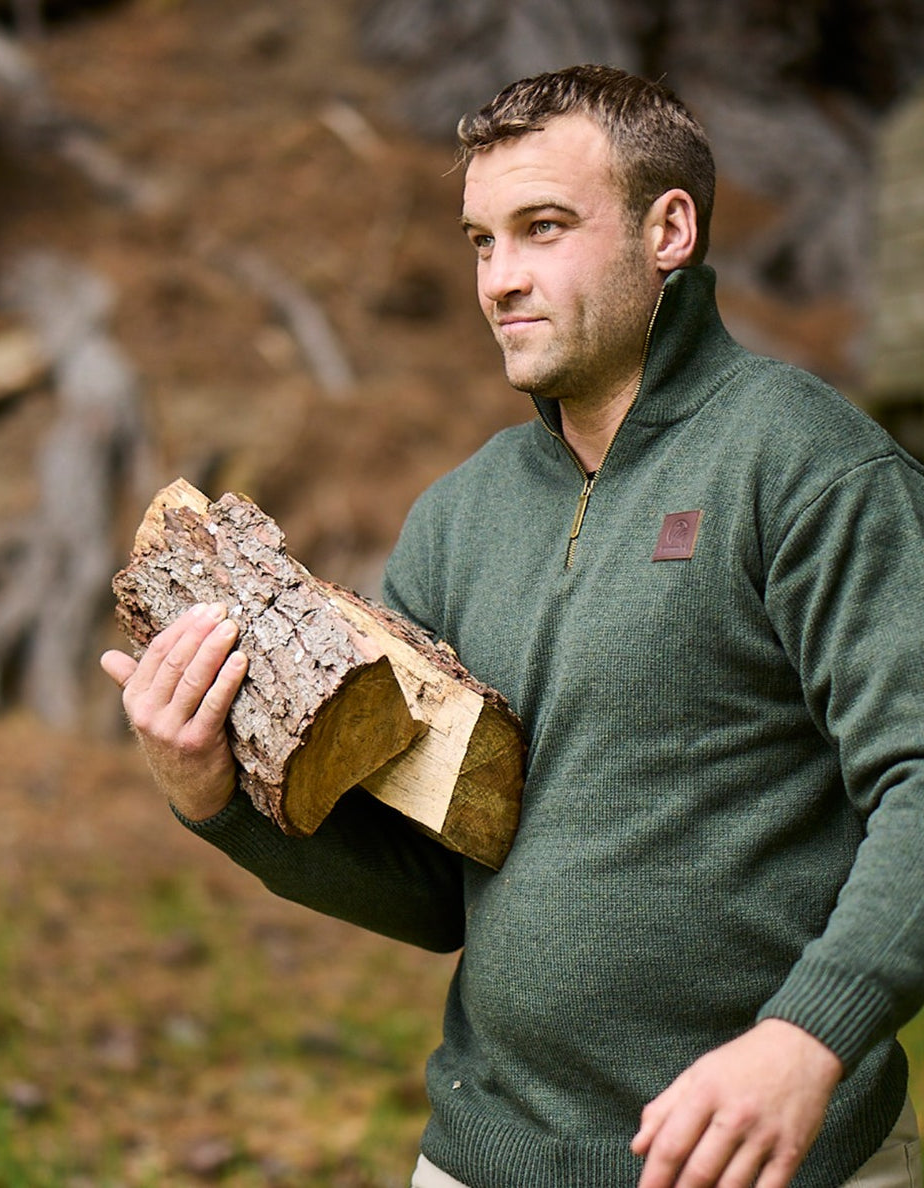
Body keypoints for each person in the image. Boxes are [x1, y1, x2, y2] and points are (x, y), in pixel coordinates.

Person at [101, 65, 924, 1188]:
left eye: (542, 229)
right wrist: (215, 805)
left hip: (768, 1159)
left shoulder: (806, 468)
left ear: (667, 229)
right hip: (483, 1158)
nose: (498, 279)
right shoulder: (457, 518)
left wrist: (808, 1037)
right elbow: (436, 887)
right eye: (481, 240)